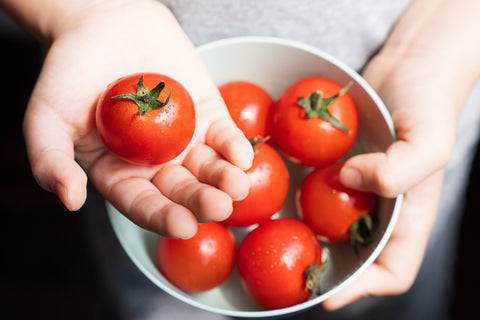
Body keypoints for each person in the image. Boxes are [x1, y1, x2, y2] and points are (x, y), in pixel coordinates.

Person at [2, 0, 480, 319]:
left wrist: (435, 46)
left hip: (418, 95)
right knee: (169, 292)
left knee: (388, 305)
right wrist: (80, 10)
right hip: (144, 150)